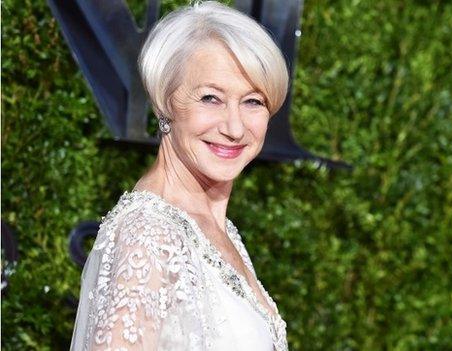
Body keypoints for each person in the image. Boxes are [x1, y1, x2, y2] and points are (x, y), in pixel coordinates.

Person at [69, 1, 290, 350]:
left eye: (253, 102)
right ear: (164, 103)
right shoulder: (151, 234)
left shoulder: (213, 224)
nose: (234, 127)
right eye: (210, 98)